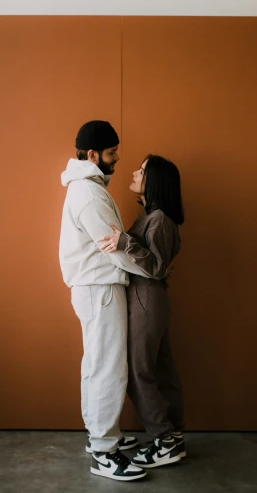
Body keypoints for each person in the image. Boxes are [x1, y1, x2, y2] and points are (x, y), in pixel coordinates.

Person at [59, 120, 151, 482]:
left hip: (96, 287)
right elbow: (114, 250)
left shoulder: (88, 188)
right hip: (99, 288)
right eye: (112, 153)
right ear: (93, 154)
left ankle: (98, 436)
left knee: (97, 361)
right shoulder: (88, 194)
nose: (116, 159)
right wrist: (153, 271)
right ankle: (103, 450)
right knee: (108, 365)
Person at [97, 154, 186, 469]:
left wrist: (124, 242)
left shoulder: (160, 218)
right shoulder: (153, 216)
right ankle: (171, 435)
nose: (135, 172)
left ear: (156, 180)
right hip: (149, 300)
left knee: (138, 372)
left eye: (143, 170)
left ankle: (164, 439)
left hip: (146, 299)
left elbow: (158, 267)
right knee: (159, 369)